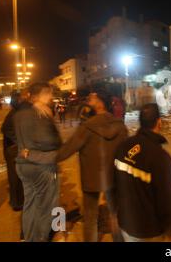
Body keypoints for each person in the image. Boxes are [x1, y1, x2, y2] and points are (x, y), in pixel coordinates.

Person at [55, 89, 128, 242]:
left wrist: (46, 157)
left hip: (91, 177)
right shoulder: (120, 125)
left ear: (101, 103)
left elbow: (67, 150)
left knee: (90, 215)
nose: (89, 98)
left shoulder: (87, 127)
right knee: (115, 213)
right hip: (114, 176)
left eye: (93, 97)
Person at [114, 103, 171, 242]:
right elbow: (168, 200)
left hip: (125, 225)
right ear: (159, 122)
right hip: (149, 232)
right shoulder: (160, 157)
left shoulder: (123, 146)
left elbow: (113, 182)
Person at [14, 83, 62, 242]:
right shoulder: (40, 112)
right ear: (41, 94)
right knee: (46, 205)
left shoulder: (19, 113)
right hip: (41, 164)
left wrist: (24, 147)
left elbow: (8, 131)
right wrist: (57, 143)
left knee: (30, 203)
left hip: (22, 164)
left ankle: (28, 238)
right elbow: (48, 140)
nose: (51, 97)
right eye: (49, 94)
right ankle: (41, 238)